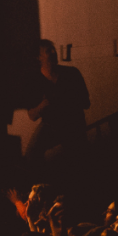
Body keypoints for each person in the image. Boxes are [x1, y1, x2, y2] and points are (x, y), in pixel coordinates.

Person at [25, 39, 90, 167]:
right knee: (31, 155)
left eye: (54, 49)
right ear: (38, 57)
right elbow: (32, 116)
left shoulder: (72, 73)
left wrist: (70, 99)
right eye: (49, 51)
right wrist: (42, 105)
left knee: (78, 160)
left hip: (73, 122)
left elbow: (86, 103)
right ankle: (40, 183)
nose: (54, 52)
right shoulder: (34, 82)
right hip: (51, 125)